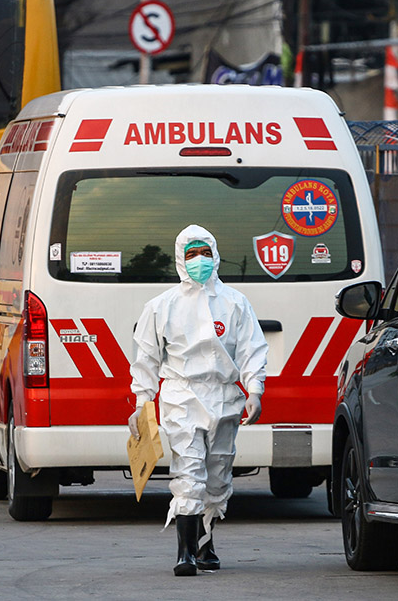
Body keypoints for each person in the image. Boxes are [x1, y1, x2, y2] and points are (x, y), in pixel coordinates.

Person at [128, 224, 268, 576]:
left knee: (218, 475)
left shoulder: (235, 302)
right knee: (189, 472)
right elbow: (145, 357)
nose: (199, 261)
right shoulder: (162, 306)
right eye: (191, 254)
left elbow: (252, 349)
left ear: (216, 254)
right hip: (181, 396)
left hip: (224, 397)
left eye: (205, 252)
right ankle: (185, 553)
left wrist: (254, 390)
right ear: (180, 258)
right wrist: (142, 403)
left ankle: (206, 546)